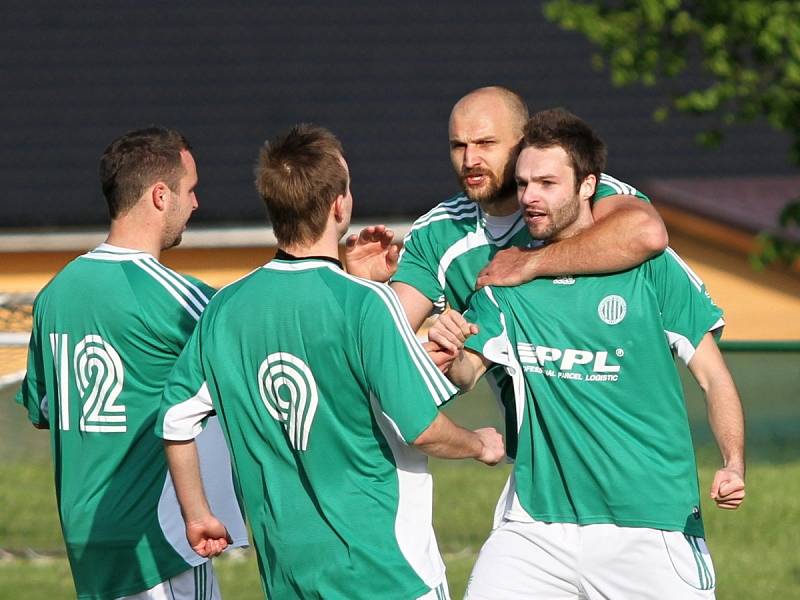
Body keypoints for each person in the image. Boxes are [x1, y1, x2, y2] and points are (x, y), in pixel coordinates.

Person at [156, 124, 506, 599]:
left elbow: (176, 418)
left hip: (290, 577)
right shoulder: (365, 304)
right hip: (387, 575)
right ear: (340, 205)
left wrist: (197, 513)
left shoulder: (226, 308)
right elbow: (422, 428)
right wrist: (479, 443)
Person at [429, 108, 746, 599]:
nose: (530, 198)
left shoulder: (651, 271)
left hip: (651, 527)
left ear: (587, 186)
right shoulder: (506, 279)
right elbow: (465, 372)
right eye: (524, 183)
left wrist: (733, 461)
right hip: (536, 528)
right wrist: (445, 347)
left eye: (547, 183)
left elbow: (714, 377)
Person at [346, 85, 668, 454]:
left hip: (630, 443)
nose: (469, 160)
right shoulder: (439, 232)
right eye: (458, 146)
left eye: (485, 143)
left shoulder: (579, 192)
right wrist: (364, 289)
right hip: (536, 459)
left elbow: (647, 233)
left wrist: (529, 263)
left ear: (521, 145)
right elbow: (385, 343)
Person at [15, 127, 247, 600]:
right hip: (160, 537)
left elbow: (44, 411)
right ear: (160, 196)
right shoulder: (181, 299)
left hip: (87, 535)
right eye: (190, 189)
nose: (196, 203)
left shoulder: (54, 295)